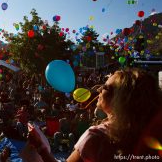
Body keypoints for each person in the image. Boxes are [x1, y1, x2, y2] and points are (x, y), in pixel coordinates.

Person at [27, 68, 162, 162]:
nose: (98, 89)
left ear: (121, 99)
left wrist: (40, 147)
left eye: (105, 87)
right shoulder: (153, 134)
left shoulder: (97, 137)